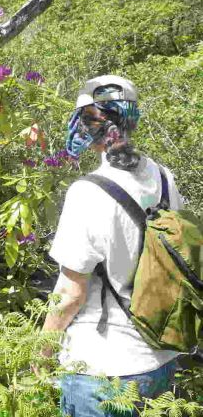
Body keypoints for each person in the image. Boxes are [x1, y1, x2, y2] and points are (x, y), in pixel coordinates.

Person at [39, 75, 185, 416]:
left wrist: (39, 354)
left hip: (103, 368)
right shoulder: (164, 177)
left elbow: (70, 294)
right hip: (162, 356)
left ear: (88, 126)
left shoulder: (87, 191)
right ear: (132, 119)